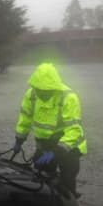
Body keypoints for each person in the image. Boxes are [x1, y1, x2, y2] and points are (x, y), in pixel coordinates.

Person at [12, 62, 86, 195]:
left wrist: (56, 152)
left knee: (68, 178)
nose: (43, 94)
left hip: (68, 146)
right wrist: (19, 139)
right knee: (41, 174)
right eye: (39, 90)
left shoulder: (68, 98)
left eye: (47, 91)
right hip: (44, 144)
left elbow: (74, 130)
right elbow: (25, 118)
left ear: (54, 87)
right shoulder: (31, 95)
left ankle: (69, 203)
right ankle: (49, 200)